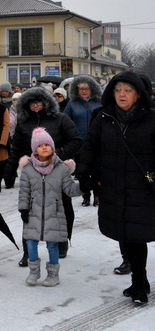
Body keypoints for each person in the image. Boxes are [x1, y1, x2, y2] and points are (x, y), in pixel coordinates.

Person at [78, 72, 155, 305]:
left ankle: (140, 285)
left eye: (128, 90)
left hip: (141, 187)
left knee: (136, 236)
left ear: (138, 95)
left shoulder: (152, 119)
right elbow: (90, 147)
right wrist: (84, 173)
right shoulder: (103, 117)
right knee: (124, 234)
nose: (122, 95)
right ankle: (139, 281)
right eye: (118, 90)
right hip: (112, 185)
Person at [8, 87, 82, 266]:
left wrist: (57, 155)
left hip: (57, 170)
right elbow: (16, 148)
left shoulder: (60, 119)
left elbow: (76, 140)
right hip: (33, 173)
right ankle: (28, 251)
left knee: (62, 208)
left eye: (38, 102)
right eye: (31, 103)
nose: (35, 106)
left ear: (46, 103)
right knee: (29, 212)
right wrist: (8, 171)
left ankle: (62, 240)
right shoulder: (24, 123)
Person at [19, 128, 82, 287]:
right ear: (35, 149)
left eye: (48, 144)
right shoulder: (28, 169)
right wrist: (24, 209)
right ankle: (34, 271)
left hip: (54, 212)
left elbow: (69, 189)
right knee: (31, 243)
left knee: (52, 244)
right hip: (33, 212)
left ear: (53, 148)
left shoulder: (61, 168)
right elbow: (24, 191)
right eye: (40, 145)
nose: (44, 147)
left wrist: (84, 187)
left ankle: (53, 274)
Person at [63, 75, 103, 207]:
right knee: (82, 172)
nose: (84, 91)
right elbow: (65, 121)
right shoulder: (72, 104)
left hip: (96, 144)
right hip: (79, 144)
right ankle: (86, 195)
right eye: (81, 89)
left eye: (87, 89)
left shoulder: (99, 102)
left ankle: (97, 195)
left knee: (96, 171)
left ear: (92, 89)